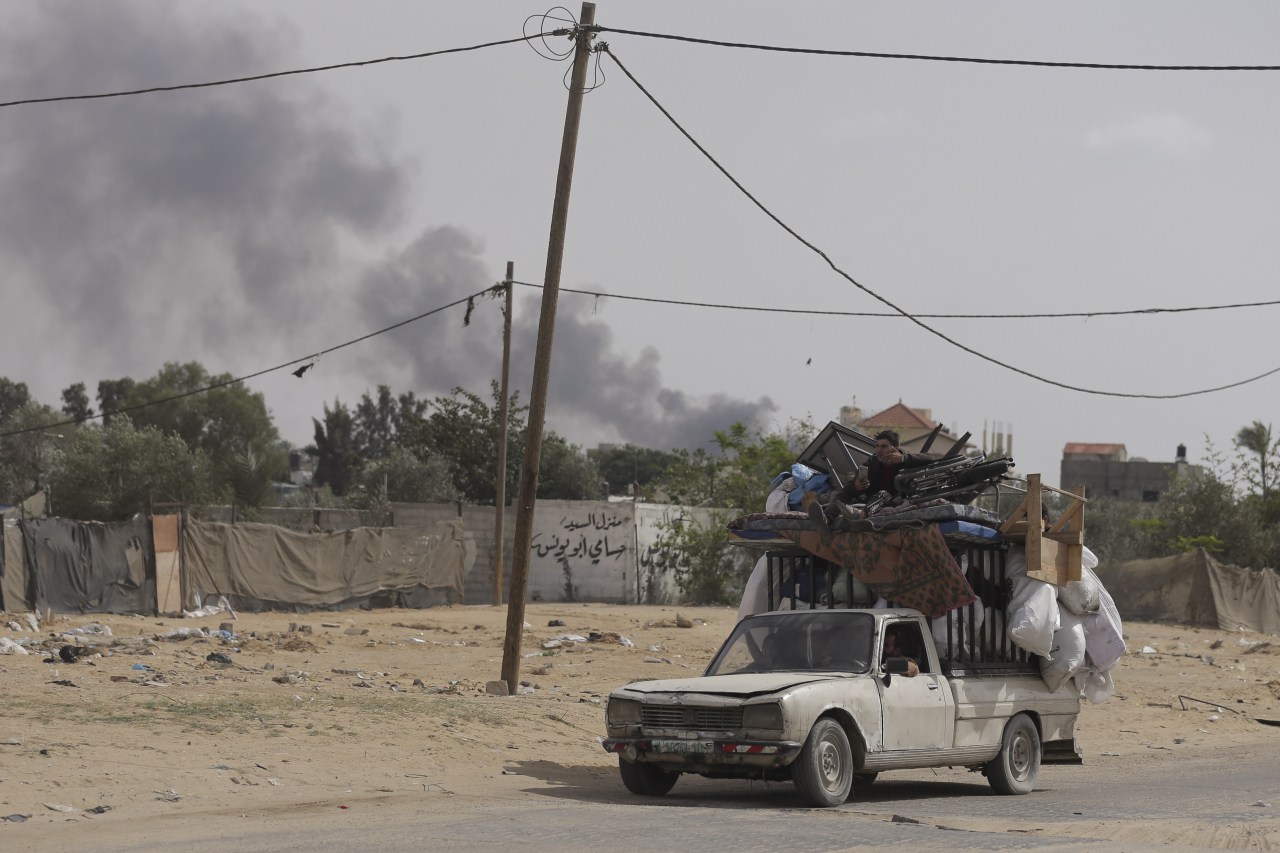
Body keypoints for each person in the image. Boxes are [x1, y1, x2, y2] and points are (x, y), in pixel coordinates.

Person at [838, 430, 937, 504]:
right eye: (877, 446)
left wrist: (903, 458)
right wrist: (856, 487)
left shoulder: (905, 460)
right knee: (842, 496)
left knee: (882, 494)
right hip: (871, 501)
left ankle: (862, 514)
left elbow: (930, 457)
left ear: (895, 449)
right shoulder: (872, 462)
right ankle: (827, 519)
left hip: (894, 501)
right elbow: (848, 488)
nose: (879, 450)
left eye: (884, 446)